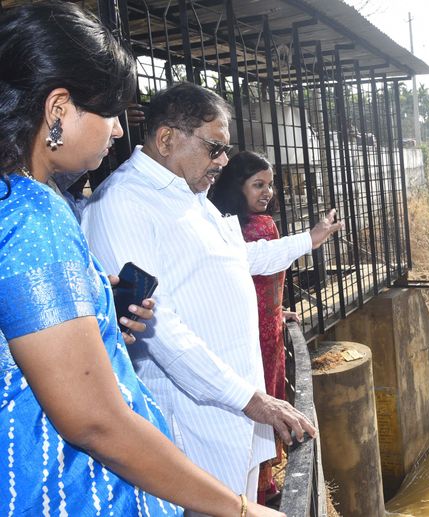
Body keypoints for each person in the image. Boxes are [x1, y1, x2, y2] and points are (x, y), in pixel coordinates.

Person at [0, 3, 281, 515]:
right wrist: (240, 509)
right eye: (108, 113)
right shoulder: (35, 213)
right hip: (67, 489)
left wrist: (95, 309)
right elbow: (94, 419)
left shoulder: (23, 200)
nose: (115, 131)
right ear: (58, 109)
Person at [81, 82, 343, 506]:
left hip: (236, 409)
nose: (223, 162)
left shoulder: (190, 196)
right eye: (214, 148)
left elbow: (239, 257)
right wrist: (248, 398)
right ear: (167, 139)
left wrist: (309, 240)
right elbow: (157, 326)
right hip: (193, 417)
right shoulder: (123, 204)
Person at [209, 151, 296, 501]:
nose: (267, 192)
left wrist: (278, 308)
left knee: (259, 405)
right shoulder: (256, 227)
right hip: (259, 335)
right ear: (236, 186)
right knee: (264, 403)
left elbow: (265, 280)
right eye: (258, 184)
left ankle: (256, 487)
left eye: (270, 184)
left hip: (261, 328)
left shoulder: (227, 225)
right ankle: (262, 489)